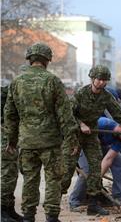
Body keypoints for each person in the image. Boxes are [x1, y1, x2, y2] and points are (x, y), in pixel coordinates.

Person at [4, 42, 79, 222]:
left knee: (30, 179)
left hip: (27, 142)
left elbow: (10, 114)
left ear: (30, 59)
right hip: (50, 142)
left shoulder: (16, 82)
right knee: (53, 179)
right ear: (47, 60)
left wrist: (11, 141)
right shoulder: (52, 81)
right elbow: (65, 115)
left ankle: (29, 217)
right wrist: (72, 140)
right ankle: (51, 217)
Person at [61, 65, 121, 216]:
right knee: (66, 172)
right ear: (92, 78)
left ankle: (93, 204)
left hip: (91, 136)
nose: (101, 83)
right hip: (75, 134)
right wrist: (81, 124)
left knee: (94, 169)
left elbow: (120, 115)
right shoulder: (81, 94)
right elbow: (68, 114)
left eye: (104, 80)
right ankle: (57, 200)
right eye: (99, 79)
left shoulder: (106, 96)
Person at [1, 85, 23, 222]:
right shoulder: (7, 91)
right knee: (6, 174)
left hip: (13, 137)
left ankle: (9, 209)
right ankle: (2, 211)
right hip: (5, 138)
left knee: (12, 174)